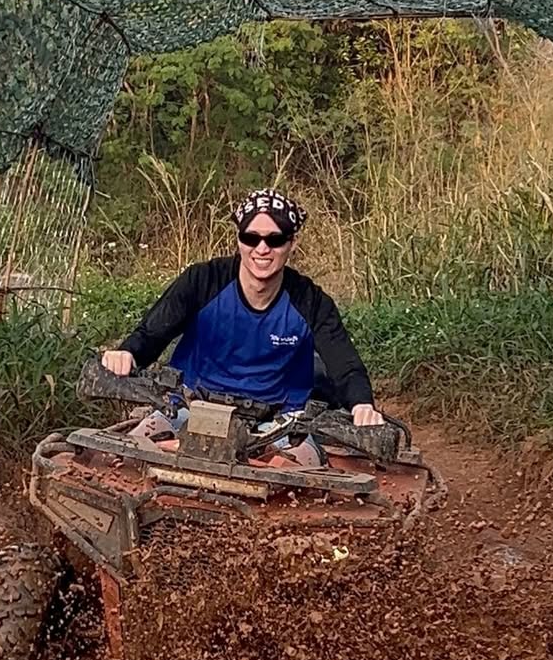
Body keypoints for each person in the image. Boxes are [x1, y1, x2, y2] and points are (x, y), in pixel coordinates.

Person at [101, 189, 384, 462]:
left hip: (278, 426)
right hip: (186, 409)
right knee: (127, 454)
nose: (262, 249)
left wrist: (362, 404)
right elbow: (152, 333)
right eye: (251, 238)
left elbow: (344, 363)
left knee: (299, 469)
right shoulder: (202, 280)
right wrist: (128, 353)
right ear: (239, 240)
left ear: (292, 243)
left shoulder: (311, 301)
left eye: (275, 240)